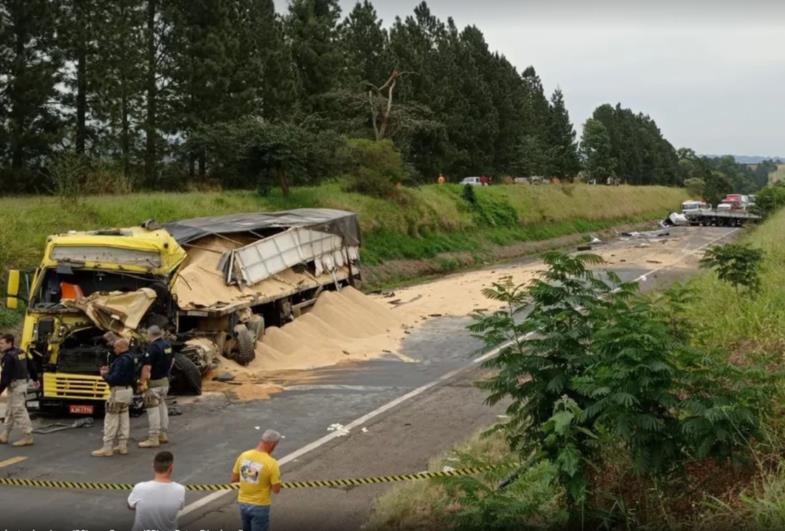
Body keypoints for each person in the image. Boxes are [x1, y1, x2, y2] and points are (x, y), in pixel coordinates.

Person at [232, 429, 283, 531]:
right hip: (260, 505)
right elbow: (276, 490)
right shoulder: (271, 463)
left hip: (243, 502)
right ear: (272, 444)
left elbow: (234, 479)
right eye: (276, 444)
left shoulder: (244, 455)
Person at [92, 338, 135, 457]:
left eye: (116, 347)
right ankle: (123, 446)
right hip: (128, 391)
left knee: (111, 419)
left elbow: (114, 379)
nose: (114, 350)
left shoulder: (121, 360)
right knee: (124, 418)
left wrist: (105, 375)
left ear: (121, 347)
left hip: (118, 392)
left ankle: (107, 447)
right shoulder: (132, 358)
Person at [127, 451, 185, 531]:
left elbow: (130, 506)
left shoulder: (140, 487)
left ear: (153, 466)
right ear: (171, 467)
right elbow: (179, 507)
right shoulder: (180, 489)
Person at [138, 325, 174, 448]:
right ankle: (163, 435)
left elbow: (147, 367)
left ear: (150, 334)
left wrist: (142, 383)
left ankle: (153, 438)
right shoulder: (167, 345)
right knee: (162, 407)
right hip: (164, 382)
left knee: (153, 411)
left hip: (154, 384)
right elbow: (172, 361)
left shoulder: (152, 348)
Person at [0, 334, 37, 447]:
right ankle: (4, 435)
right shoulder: (21, 352)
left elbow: (5, 377)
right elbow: (31, 365)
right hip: (21, 384)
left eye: (2, 343)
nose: (0, 346)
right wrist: (35, 378)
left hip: (16, 386)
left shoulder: (8, 357)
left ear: (9, 343)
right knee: (10, 411)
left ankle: (28, 436)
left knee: (18, 411)